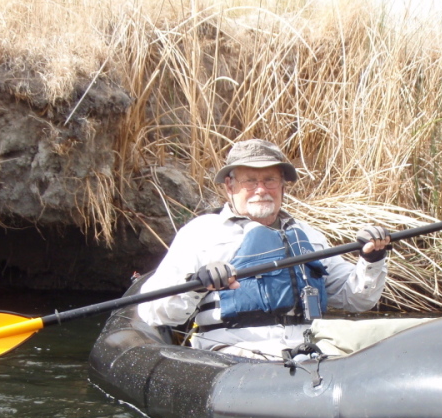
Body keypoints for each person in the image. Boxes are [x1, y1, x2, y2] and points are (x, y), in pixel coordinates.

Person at [136, 139, 397, 359]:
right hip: (234, 354)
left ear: (283, 185)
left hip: (310, 350)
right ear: (230, 186)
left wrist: (371, 259)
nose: (261, 190)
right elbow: (154, 312)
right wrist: (196, 284)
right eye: (250, 181)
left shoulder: (309, 235)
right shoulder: (202, 233)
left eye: (270, 180)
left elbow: (357, 299)